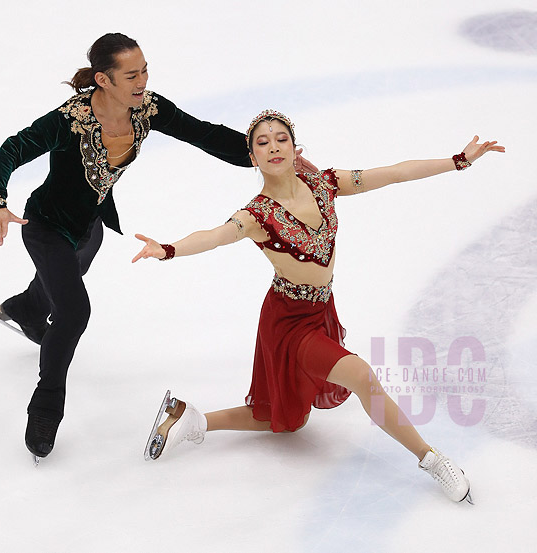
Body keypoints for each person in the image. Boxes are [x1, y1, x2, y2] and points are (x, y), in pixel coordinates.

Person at [132, 108, 505, 503]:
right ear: (252, 157)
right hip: (288, 322)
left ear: (296, 148)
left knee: (288, 419)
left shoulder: (326, 184)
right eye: (263, 142)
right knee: (362, 376)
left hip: (321, 311)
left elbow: (394, 172)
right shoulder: (257, 215)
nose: (274, 147)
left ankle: (191, 419)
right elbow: (216, 236)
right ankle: (432, 459)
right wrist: (169, 249)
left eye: (281, 139)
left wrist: (458, 161)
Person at [0, 34, 316, 462]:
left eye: (145, 70)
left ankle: (26, 308)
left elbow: (204, 134)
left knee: (69, 272)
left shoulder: (148, 109)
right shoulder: (69, 119)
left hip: (89, 227)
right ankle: (46, 406)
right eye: (131, 74)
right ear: (103, 80)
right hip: (44, 227)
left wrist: (265, 155)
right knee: (74, 310)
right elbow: (10, 150)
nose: (142, 81)